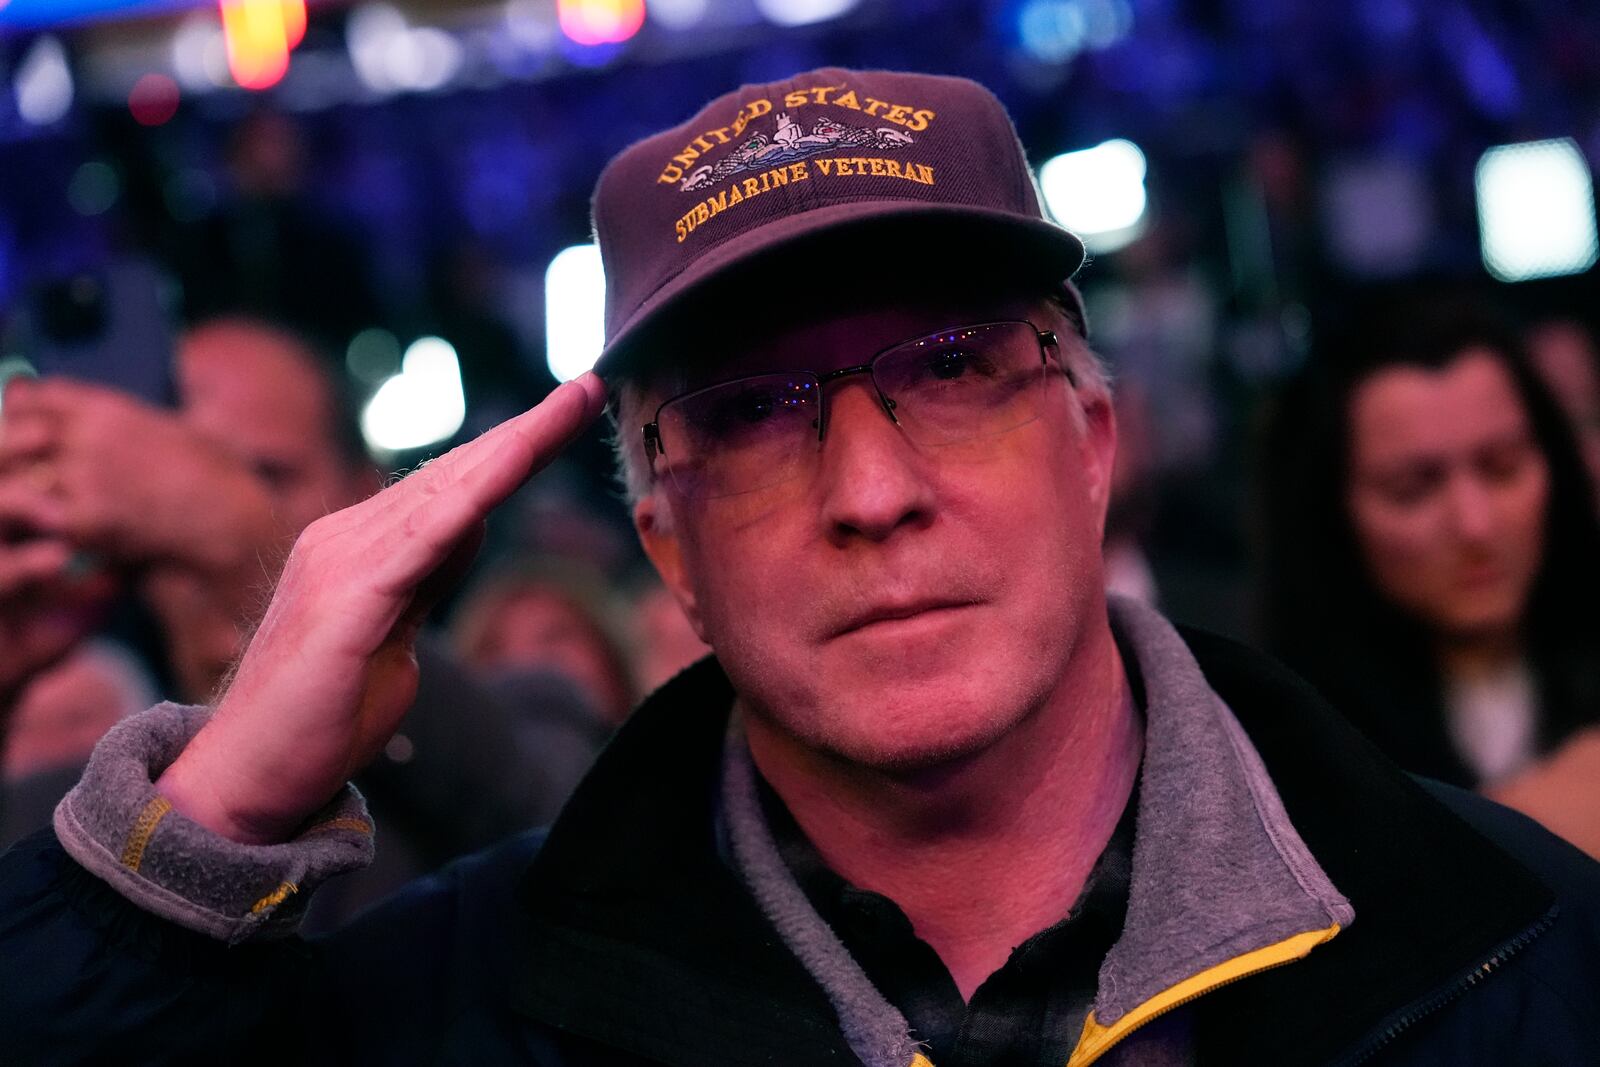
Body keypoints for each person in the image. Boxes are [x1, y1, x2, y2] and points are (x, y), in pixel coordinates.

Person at [2, 69, 1598, 1066]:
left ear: (1095, 442)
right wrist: (201, 832)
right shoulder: (442, 1002)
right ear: (665, 545)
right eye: (752, 412)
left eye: (958, 366)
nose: (873, 489)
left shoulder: (1511, 936)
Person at [0, 318, 601, 925]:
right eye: (164, 485)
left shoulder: (522, 716)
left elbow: (583, 860)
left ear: (369, 492)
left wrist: (251, 548)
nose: (192, 515)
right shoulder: (64, 810)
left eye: (265, 475)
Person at [1261, 301, 1600, 856]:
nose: (1475, 524)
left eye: (1503, 467)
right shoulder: (1292, 753)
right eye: (1412, 489)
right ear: (1332, 513)